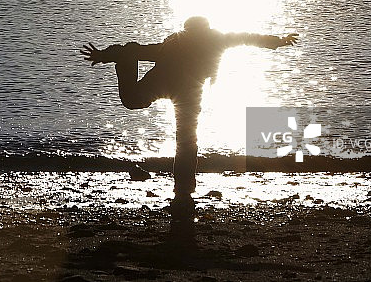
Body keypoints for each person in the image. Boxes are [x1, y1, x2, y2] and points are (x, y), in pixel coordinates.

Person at [81, 16, 298, 200]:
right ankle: (184, 187)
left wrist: (277, 41)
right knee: (182, 135)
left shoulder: (204, 40)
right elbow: (140, 51)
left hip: (181, 90)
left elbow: (248, 38)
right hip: (174, 87)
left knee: (185, 138)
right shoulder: (184, 41)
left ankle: (184, 187)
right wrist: (106, 56)